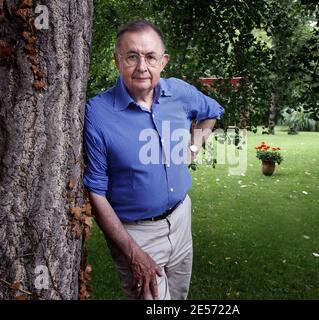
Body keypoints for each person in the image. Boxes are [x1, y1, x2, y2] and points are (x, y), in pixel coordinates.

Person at [83, 20, 224, 300]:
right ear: (117, 60)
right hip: (137, 234)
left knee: (179, 298)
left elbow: (212, 111)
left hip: (182, 219)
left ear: (164, 61)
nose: (142, 67)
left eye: (150, 57)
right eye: (132, 56)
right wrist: (133, 252)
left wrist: (192, 149)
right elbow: (96, 193)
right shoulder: (97, 114)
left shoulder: (179, 93)